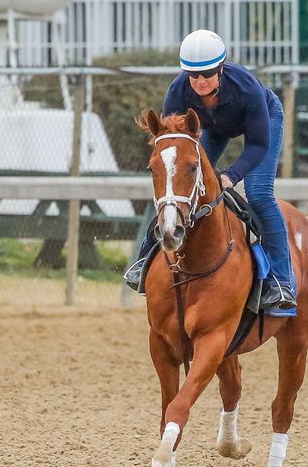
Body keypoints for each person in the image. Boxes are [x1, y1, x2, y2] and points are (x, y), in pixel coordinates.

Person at [124, 29, 298, 316]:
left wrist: (231, 175)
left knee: (258, 194)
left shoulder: (247, 89)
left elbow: (257, 145)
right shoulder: (177, 93)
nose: (200, 81)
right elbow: (174, 147)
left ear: (220, 69)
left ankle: (281, 281)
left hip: (264, 122)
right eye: (194, 76)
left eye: (207, 74)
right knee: (177, 189)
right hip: (212, 128)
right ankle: (145, 260)